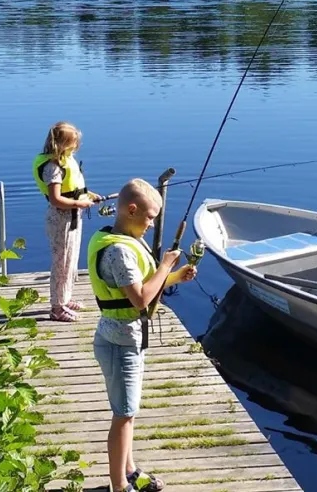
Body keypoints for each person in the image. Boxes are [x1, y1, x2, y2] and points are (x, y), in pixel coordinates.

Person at [89, 178, 196, 492]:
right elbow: (139, 299)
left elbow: (140, 290)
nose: (151, 224)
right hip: (120, 343)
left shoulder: (115, 238)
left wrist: (176, 276)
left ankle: (130, 470)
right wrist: (165, 266)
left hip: (125, 338)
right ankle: (119, 486)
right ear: (131, 210)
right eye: (150, 217)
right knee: (123, 415)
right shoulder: (119, 252)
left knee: (128, 413)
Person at [34, 121, 103, 322]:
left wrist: (89, 195)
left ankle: (65, 298)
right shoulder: (52, 167)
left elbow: (72, 188)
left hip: (72, 217)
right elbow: (56, 199)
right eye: (73, 143)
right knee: (61, 263)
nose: (76, 147)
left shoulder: (66, 160)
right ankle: (56, 308)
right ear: (61, 144)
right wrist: (79, 204)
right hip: (60, 220)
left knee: (71, 260)